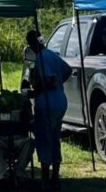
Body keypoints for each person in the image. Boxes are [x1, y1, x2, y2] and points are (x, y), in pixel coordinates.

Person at [26, 29, 72, 190]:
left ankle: (45, 179)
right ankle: (55, 176)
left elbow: (50, 80)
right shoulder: (51, 54)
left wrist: (36, 89)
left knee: (44, 139)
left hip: (47, 103)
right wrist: (59, 84)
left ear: (32, 44)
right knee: (54, 138)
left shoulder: (40, 57)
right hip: (60, 101)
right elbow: (68, 70)